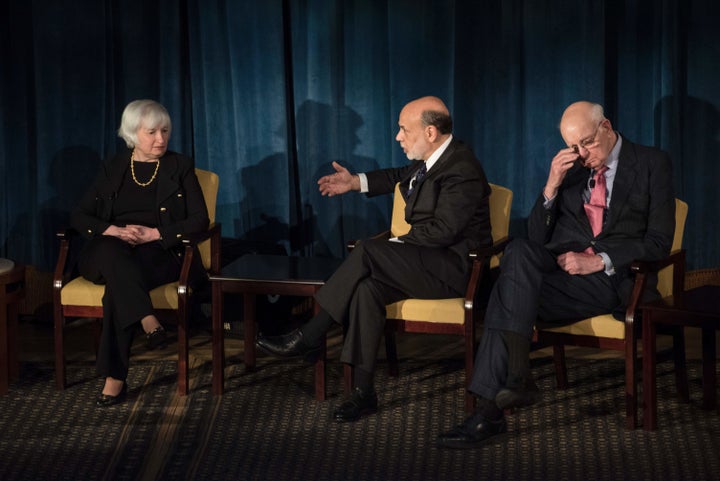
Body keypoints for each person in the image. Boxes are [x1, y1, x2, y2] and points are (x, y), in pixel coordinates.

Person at [436, 100, 676, 449]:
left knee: (506, 292)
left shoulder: (653, 163)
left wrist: (601, 260)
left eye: (587, 143)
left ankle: (490, 410)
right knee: (517, 251)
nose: (582, 154)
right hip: (559, 274)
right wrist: (550, 186)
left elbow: (659, 242)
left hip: (612, 280)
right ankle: (514, 379)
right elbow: (535, 239)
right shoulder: (573, 170)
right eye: (573, 147)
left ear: (606, 126)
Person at [256, 96, 493, 422]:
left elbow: (443, 232)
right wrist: (355, 182)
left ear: (430, 132)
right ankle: (363, 392)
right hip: (423, 261)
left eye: (403, 129)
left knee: (368, 250)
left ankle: (311, 335)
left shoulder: (462, 168)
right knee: (368, 289)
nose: (397, 136)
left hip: (454, 268)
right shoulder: (433, 158)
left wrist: (394, 244)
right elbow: (399, 175)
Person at [71, 99, 209, 407]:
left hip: (157, 251)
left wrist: (155, 234)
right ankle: (147, 318)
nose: (161, 139)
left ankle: (114, 378)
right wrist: (114, 231)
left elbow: (200, 220)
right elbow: (79, 216)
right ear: (133, 133)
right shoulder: (113, 167)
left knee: (118, 290)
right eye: (152, 132)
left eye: (165, 131)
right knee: (111, 251)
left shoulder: (179, 166)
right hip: (108, 250)